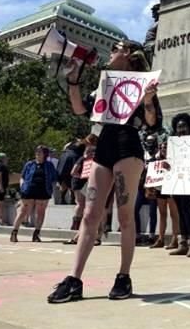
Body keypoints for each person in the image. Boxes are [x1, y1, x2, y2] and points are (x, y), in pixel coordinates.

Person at [47, 38, 160, 304]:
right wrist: (73, 80)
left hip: (128, 147)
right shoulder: (105, 83)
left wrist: (147, 100)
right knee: (90, 215)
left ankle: (123, 276)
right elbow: (80, 108)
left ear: (128, 53)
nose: (110, 52)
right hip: (105, 146)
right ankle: (74, 279)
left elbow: (152, 123)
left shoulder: (144, 83)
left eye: (116, 48)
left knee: (125, 215)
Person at [163, 112, 190, 258]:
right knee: (180, 210)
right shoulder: (172, 145)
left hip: (189, 181)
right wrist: (166, 164)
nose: (181, 129)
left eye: (184, 126)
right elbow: (169, 164)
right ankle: (183, 243)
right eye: (179, 127)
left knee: (187, 209)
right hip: (176, 181)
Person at [11, 146, 58, 243]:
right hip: (29, 189)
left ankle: (36, 233)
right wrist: (22, 187)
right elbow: (22, 177)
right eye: (37, 152)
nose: (37, 153)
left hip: (43, 190)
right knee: (23, 211)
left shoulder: (49, 165)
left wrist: (52, 189)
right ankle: (14, 232)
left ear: (45, 154)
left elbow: (54, 178)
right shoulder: (30, 164)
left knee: (40, 212)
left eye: (40, 152)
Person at [64, 143, 105, 247]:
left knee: (94, 212)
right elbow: (74, 172)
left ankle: (95, 236)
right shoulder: (84, 160)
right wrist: (85, 176)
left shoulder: (97, 162)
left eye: (93, 152)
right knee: (89, 212)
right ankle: (81, 236)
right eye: (90, 152)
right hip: (87, 186)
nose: (91, 154)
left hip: (95, 187)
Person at [148, 134, 180, 250]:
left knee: (173, 213)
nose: (163, 149)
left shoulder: (174, 158)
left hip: (171, 187)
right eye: (161, 147)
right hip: (160, 188)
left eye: (165, 147)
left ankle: (175, 239)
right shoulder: (156, 159)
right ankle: (160, 238)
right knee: (162, 213)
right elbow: (151, 171)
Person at [56, 141, 82, 205]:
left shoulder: (64, 154)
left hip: (63, 171)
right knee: (72, 184)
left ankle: (62, 199)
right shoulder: (76, 154)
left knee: (64, 184)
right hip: (71, 170)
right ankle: (72, 199)